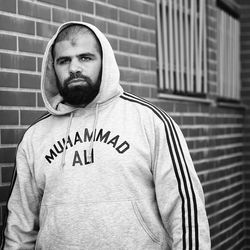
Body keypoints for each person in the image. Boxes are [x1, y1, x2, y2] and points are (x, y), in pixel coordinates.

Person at [1, 21, 211, 249]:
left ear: (105, 62)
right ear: (53, 68)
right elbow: (19, 226)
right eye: (64, 61)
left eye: (85, 58)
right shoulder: (35, 137)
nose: (74, 68)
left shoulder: (150, 121)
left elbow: (185, 207)